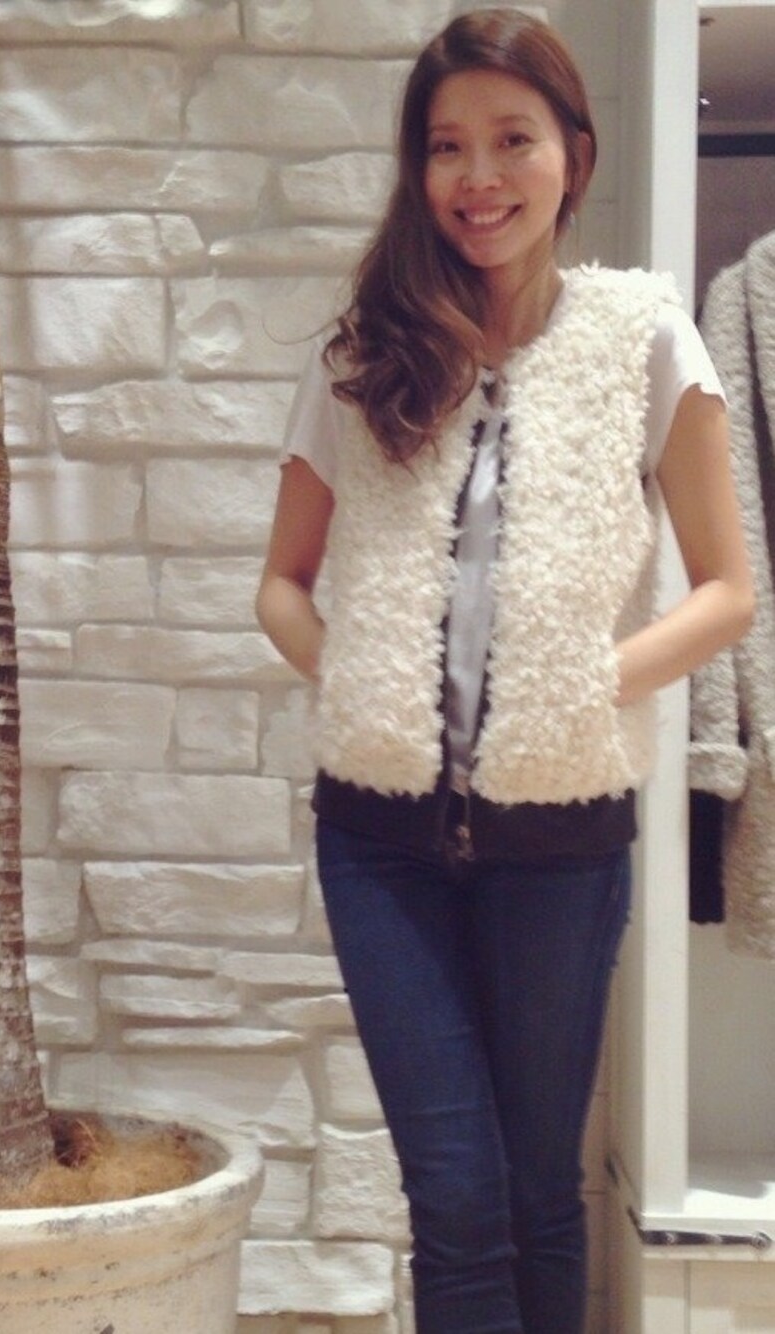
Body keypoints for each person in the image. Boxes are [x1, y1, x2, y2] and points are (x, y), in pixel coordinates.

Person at [255, 9, 754, 1334]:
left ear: (573, 155)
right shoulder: (365, 355)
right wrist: (357, 677)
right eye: (446, 146)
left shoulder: (644, 339)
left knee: (539, 1193)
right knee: (458, 1200)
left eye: (512, 139)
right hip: (380, 845)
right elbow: (280, 585)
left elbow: (729, 589)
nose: (478, 177)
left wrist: (584, 684)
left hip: (562, 844)